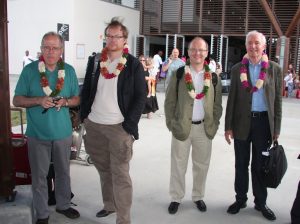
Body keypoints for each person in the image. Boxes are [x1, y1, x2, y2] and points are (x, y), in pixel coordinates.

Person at [80, 17, 146, 224]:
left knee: (120, 175)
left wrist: (129, 125)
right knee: (104, 169)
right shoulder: (96, 60)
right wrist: (84, 117)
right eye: (109, 36)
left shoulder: (133, 65)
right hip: (95, 125)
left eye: (117, 36)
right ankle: (109, 205)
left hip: (119, 128)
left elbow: (140, 96)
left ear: (125, 39)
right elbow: (88, 90)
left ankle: (123, 219)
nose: (112, 40)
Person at [13, 32, 80, 224]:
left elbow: (77, 98)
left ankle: (64, 205)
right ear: (41, 49)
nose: (50, 51)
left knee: (63, 172)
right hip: (37, 134)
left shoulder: (69, 70)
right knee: (39, 176)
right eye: (46, 47)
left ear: (61, 50)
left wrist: (65, 101)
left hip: (63, 133)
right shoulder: (30, 71)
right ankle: (42, 214)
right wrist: (38, 100)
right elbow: (16, 99)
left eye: (55, 48)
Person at [224, 30, 282, 221]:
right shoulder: (237, 69)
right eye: (250, 43)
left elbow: (277, 102)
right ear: (246, 46)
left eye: (257, 43)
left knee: (259, 165)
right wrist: (228, 126)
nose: (253, 46)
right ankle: (240, 199)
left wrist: (276, 129)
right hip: (241, 122)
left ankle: (261, 202)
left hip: (263, 124)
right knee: (241, 164)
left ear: (264, 46)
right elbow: (231, 99)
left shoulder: (274, 69)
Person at [164, 37, 222, 214]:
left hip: (204, 129)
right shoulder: (180, 74)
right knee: (178, 165)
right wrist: (171, 124)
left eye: (201, 50)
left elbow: (217, 105)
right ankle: (176, 197)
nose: (197, 53)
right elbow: (169, 102)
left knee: (201, 165)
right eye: (194, 49)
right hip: (182, 127)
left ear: (206, 53)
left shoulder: (212, 76)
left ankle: (198, 196)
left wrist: (214, 125)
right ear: (188, 52)